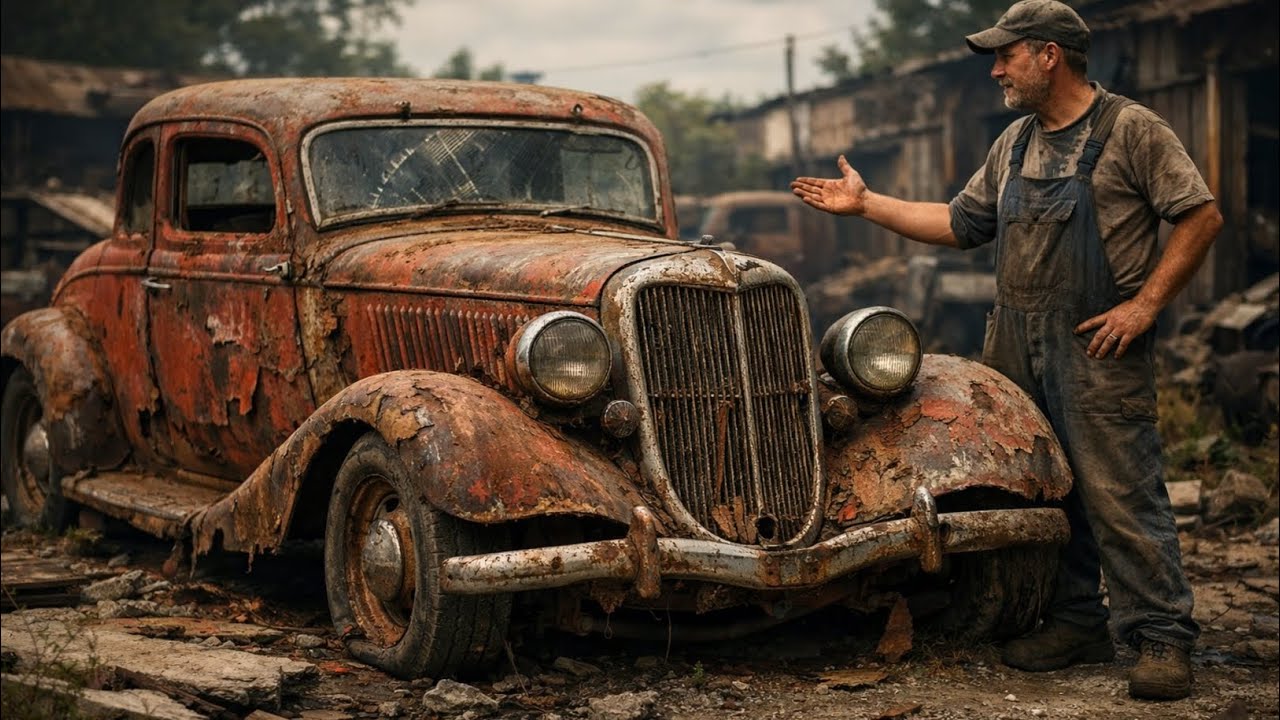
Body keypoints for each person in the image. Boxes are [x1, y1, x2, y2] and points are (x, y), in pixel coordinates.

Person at [790, 0, 1223, 702]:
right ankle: (1077, 618)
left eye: (1006, 55)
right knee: (1049, 491)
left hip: (1096, 345)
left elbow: (1201, 215)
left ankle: (1161, 636)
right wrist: (867, 206)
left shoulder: (1131, 130)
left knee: (1120, 492)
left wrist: (1144, 306)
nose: (996, 70)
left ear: (1049, 55)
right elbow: (960, 224)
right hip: (1015, 341)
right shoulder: (1016, 143)